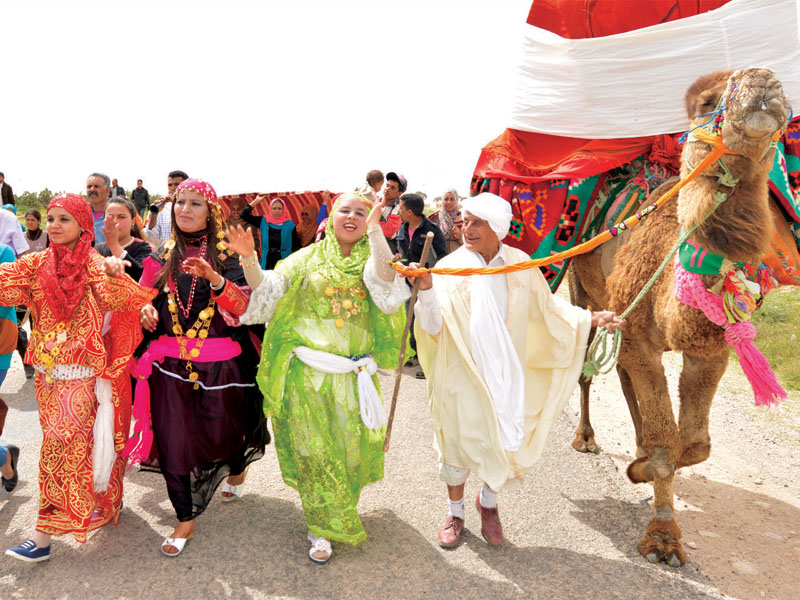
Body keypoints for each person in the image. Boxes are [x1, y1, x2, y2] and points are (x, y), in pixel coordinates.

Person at [408, 193, 624, 549]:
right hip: (461, 371)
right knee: (458, 442)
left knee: (505, 437)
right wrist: (427, 291)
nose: (466, 228)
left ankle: (488, 505)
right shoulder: (450, 266)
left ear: (497, 228)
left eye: (477, 222)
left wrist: (590, 317)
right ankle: (456, 512)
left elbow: (548, 307)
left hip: (508, 373)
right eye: (465, 221)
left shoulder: (520, 263)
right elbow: (431, 327)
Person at [233, 191, 410, 563]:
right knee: (315, 453)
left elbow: (386, 290)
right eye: (344, 210)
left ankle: (339, 508)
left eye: (361, 213)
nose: (352, 217)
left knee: (348, 453)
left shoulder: (372, 259)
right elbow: (268, 291)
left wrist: (377, 232)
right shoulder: (306, 259)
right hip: (307, 378)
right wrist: (249, 259)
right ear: (330, 218)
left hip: (352, 378)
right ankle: (321, 526)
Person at [0, 193, 156, 562]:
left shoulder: (95, 264)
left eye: (63, 219)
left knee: (58, 449)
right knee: (73, 445)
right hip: (47, 377)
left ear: (84, 226)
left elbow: (123, 297)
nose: (53, 225)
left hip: (83, 375)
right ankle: (106, 498)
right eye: (50, 218)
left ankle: (42, 537)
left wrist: (133, 292)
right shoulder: (36, 264)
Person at [133, 178, 269, 557]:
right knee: (175, 441)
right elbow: (148, 297)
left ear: (210, 212)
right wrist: (145, 309)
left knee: (224, 436)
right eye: (180, 202)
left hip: (222, 368)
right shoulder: (163, 254)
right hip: (169, 366)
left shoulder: (229, 255)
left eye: (195, 203)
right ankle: (184, 519)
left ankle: (237, 465)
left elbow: (245, 307)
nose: (185, 209)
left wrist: (216, 280)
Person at [396, 192, 448, 378]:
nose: (399, 211)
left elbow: (443, 257)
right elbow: (400, 253)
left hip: (428, 284)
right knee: (412, 319)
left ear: (410, 212)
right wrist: (400, 264)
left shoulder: (431, 230)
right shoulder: (402, 229)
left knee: (427, 321)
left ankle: (430, 361)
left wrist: (428, 274)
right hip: (409, 282)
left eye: (401, 208)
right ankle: (417, 355)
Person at [95, 198, 153, 281]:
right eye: (110, 217)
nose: (115, 221)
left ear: (133, 221)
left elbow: (142, 277)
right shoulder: (96, 249)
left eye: (121, 217)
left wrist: (114, 246)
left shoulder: (144, 248)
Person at [239, 196, 300, 269]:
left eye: (280, 208)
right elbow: (243, 215)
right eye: (274, 208)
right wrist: (257, 200)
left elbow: (296, 246)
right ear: (270, 209)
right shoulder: (264, 221)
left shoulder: (290, 225)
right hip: (267, 262)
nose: (277, 211)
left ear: (284, 210)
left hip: (284, 262)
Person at [146, 170, 189, 246]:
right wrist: (154, 214)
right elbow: (152, 238)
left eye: (177, 184)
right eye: (170, 185)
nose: (173, 188)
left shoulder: (192, 207)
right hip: (165, 255)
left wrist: (176, 204)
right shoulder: (163, 207)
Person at [429, 188, 463, 253]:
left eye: (452, 199)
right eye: (446, 199)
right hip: (439, 256)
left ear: (457, 201)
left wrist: (459, 237)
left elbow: (470, 242)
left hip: (459, 256)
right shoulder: (434, 218)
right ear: (442, 201)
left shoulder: (463, 218)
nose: (449, 202)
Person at [380, 172, 406, 253]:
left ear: (399, 193)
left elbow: (389, 233)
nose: (387, 189)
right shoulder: (375, 202)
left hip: (386, 250)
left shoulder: (399, 210)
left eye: (393, 188)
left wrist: (375, 212)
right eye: (387, 185)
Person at [86, 172, 111, 243]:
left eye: (96, 186)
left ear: (107, 191)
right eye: (89, 186)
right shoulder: (80, 213)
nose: (92, 189)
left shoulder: (118, 213)